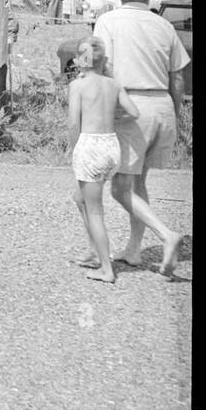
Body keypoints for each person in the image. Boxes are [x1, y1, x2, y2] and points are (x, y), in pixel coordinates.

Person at [91, 0, 187, 277]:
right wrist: (174, 114)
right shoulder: (164, 26)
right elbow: (177, 78)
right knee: (139, 181)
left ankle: (166, 235)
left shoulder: (108, 22)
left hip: (130, 105)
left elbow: (102, 67)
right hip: (162, 104)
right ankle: (133, 249)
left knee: (119, 187)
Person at [67, 37, 140, 284]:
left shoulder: (77, 86)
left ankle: (106, 268)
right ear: (103, 60)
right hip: (111, 146)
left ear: (79, 61)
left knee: (95, 210)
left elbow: (73, 122)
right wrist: (112, 117)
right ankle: (94, 250)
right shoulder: (114, 84)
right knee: (80, 198)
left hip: (90, 145)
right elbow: (134, 112)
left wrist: (75, 149)